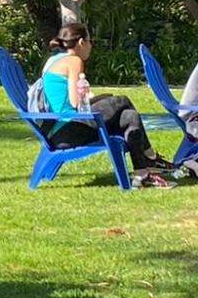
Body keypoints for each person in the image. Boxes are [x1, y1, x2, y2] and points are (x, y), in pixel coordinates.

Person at [37, 24, 175, 184]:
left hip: (60, 131)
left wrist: (100, 99)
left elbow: (70, 101)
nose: (90, 46)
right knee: (123, 100)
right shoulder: (73, 60)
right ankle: (150, 156)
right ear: (81, 42)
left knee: (129, 116)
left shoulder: (55, 59)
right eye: (90, 41)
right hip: (70, 129)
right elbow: (76, 103)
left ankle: (142, 173)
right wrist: (98, 100)